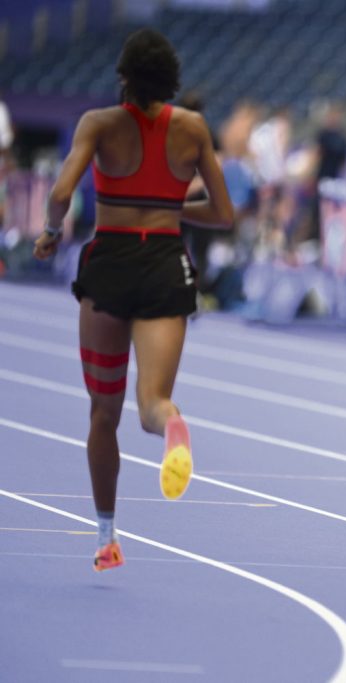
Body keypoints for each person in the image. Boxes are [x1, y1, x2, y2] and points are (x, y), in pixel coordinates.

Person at [32, 29, 233, 571]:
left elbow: (59, 194)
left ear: (124, 77)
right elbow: (224, 213)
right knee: (152, 403)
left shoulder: (98, 124)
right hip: (166, 263)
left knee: (103, 413)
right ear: (171, 81)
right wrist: (169, 206)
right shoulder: (192, 128)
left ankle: (106, 537)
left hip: (111, 263)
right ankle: (174, 428)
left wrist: (51, 231)